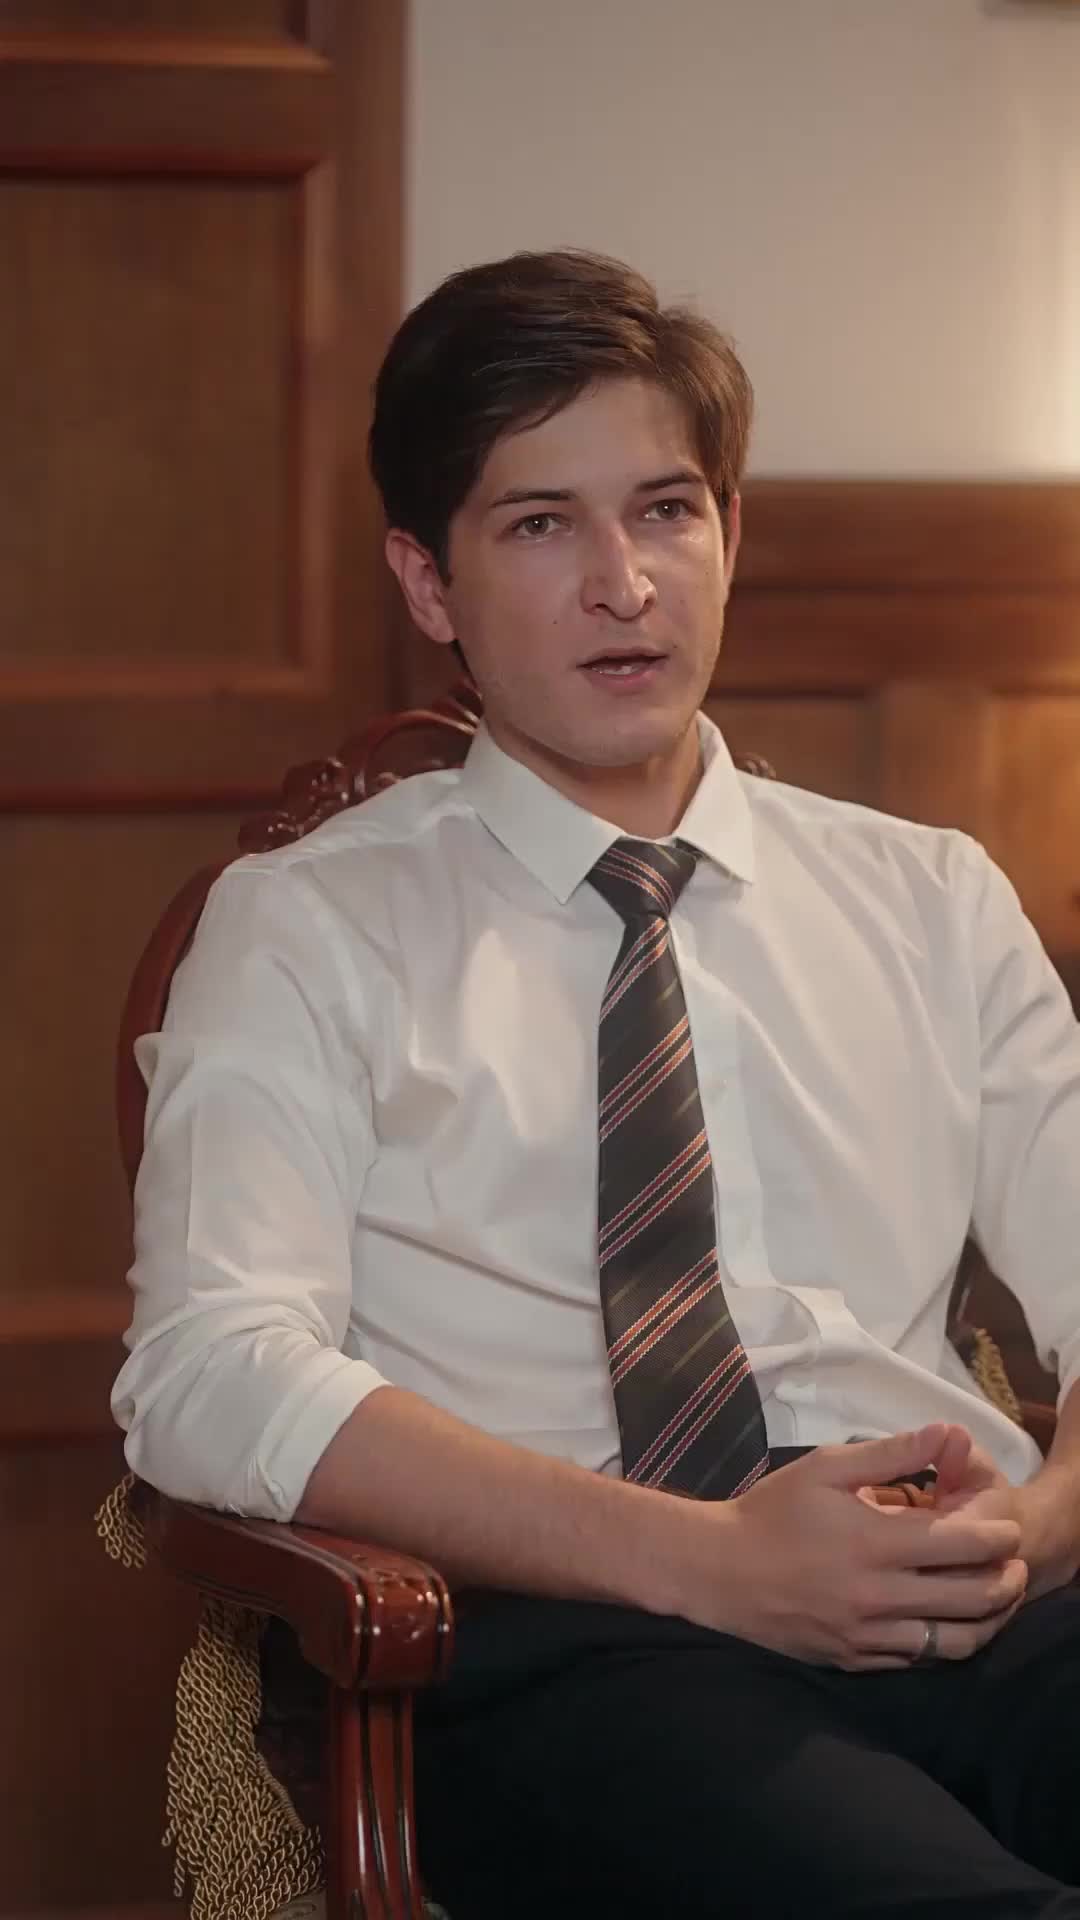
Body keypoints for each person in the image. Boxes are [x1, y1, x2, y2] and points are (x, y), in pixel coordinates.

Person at [113, 249, 1080, 1918]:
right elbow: (208, 1374)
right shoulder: (307, 927)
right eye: (540, 525)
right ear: (428, 583)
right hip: (576, 1642)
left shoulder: (930, 895)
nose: (624, 584)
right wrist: (712, 1561)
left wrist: (1038, 1532)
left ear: (729, 535)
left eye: (667, 510)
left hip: (967, 1595)